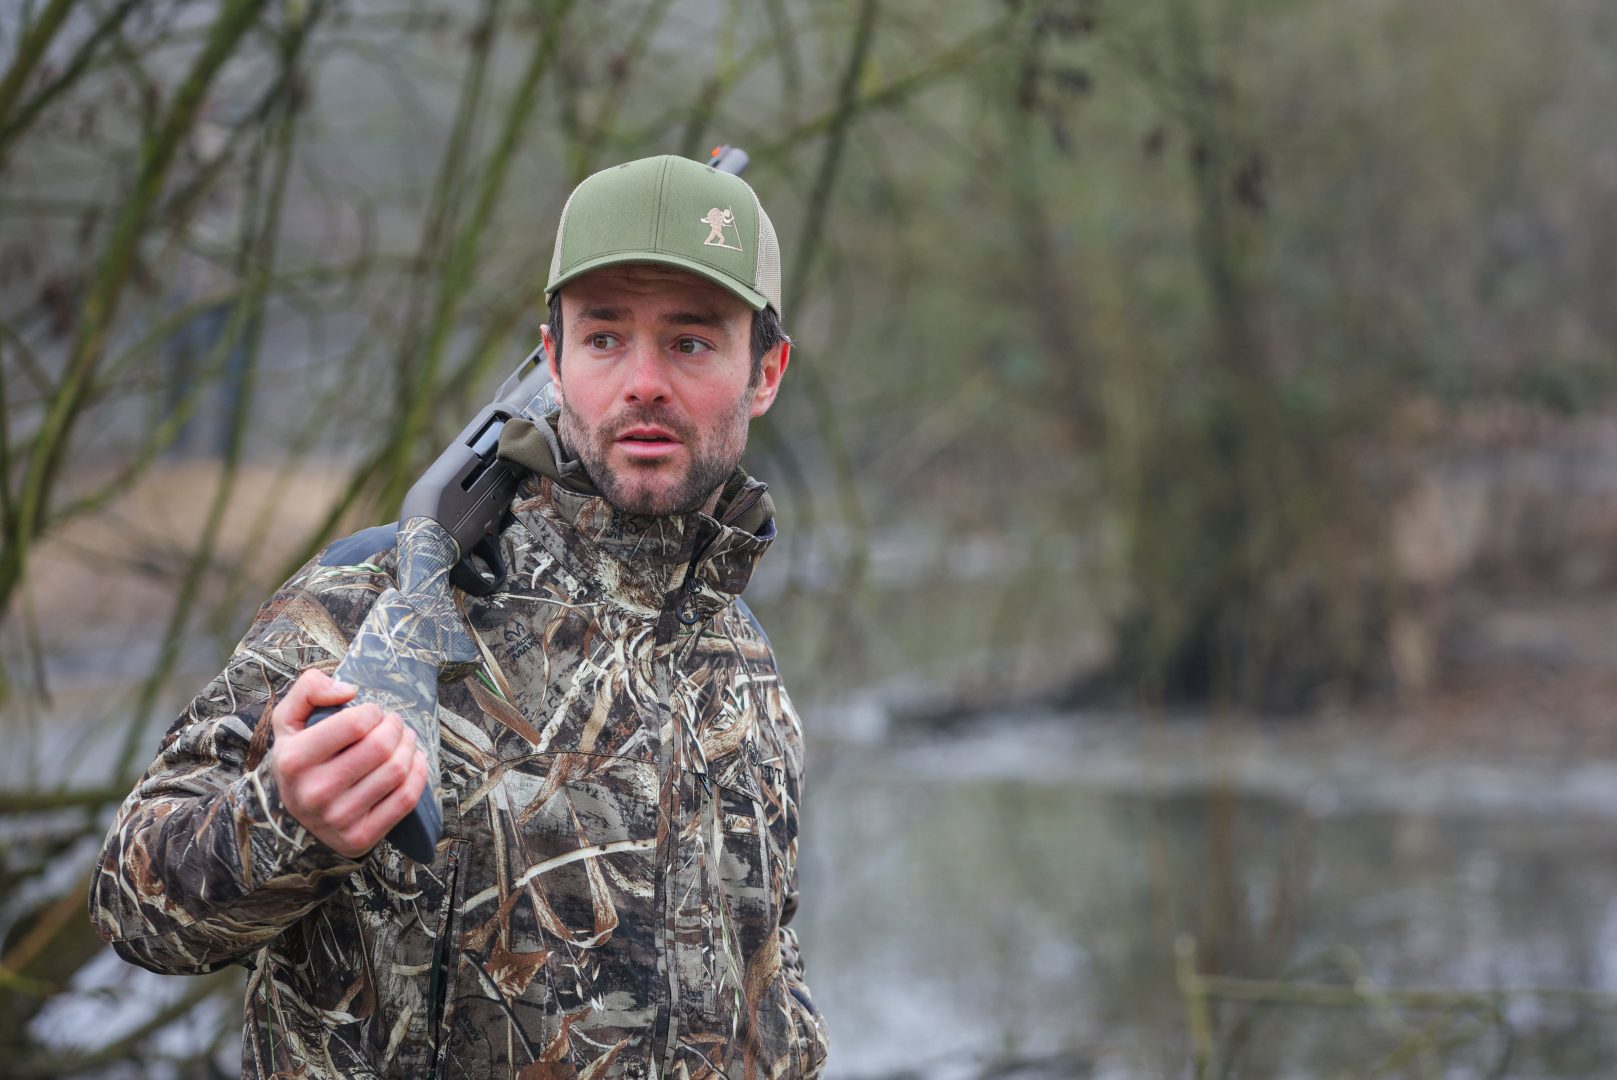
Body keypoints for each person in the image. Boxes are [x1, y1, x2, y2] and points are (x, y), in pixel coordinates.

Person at [90, 154, 830, 1079]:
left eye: (690, 342)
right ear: (553, 359)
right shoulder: (369, 600)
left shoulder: (741, 660)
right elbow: (131, 908)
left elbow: (768, 988)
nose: (643, 381)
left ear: (765, 372)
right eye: (604, 338)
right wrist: (282, 816)